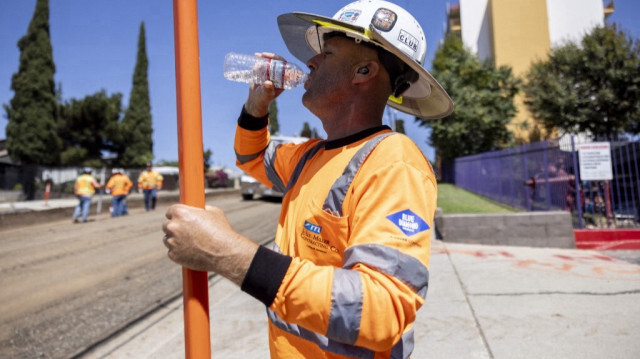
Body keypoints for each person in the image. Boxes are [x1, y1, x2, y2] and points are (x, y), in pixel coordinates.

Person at [162, 1, 453, 357]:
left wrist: (226, 252)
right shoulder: (311, 156)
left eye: (326, 52)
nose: (310, 62)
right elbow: (251, 158)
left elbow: (382, 307)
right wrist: (256, 107)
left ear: (363, 70)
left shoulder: (394, 162)